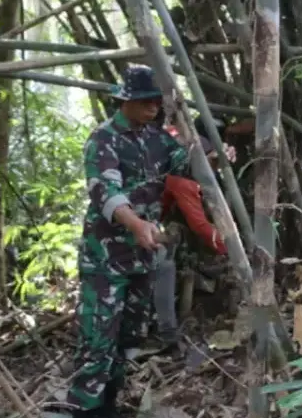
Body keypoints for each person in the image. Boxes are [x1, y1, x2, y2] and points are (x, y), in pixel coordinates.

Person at [58, 66, 190, 418]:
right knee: (97, 341)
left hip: (140, 256)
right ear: (125, 102)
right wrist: (134, 223)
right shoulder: (103, 139)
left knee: (129, 337)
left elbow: (183, 162)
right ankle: (84, 409)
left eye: (155, 102)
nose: (152, 107)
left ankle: (108, 407)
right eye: (144, 101)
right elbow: (105, 191)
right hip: (106, 258)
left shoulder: (156, 137)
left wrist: (211, 155)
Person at [151, 134, 229, 351]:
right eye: (211, 162)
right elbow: (200, 226)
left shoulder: (184, 179)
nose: (214, 168)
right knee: (165, 267)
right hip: (146, 234)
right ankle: (167, 333)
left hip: (152, 230)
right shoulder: (182, 182)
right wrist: (230, 249)